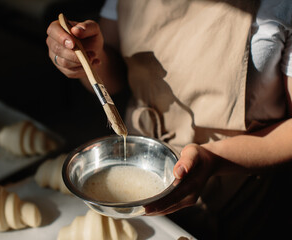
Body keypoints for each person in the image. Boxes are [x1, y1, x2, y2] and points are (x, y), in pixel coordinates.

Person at [46, 0, 292, 238]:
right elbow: (115, 77)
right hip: (136, 176)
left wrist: (213, 160)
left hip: (236, 193)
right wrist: (88, 58)